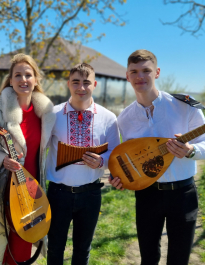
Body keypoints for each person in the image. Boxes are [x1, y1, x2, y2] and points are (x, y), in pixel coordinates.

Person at [109, 49, 205, 265]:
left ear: (157, 72)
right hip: (147, 195)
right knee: (148, 257)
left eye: (146, 70)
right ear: (127, 76)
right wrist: (117, 177)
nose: (140, 77)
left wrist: (191, 150)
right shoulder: (124, 119)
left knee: (179, 258)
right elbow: (123, 157)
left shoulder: (184, 105)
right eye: (134, 72)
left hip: (183, 194)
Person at [0, 53, 55, 265]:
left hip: (34, 190)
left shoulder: (46, 113)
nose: (23, 80)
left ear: (36, 79)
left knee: (23, 245)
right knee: (0, 247)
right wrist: (2, 159)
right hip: (3, 189)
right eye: (18, 75)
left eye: (28, 74)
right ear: (11, 79)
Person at [45, 63, 120, 265]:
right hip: (58, 193)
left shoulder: (108, 118)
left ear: (94, 84)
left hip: (91, 194)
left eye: (86, 82)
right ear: (68, 84)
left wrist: (102, 161)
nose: (81, 88)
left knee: (82, 249)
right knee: (54, 248)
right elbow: (39, 147)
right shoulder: (52, 114)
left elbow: (115, 154)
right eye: (76, 82)